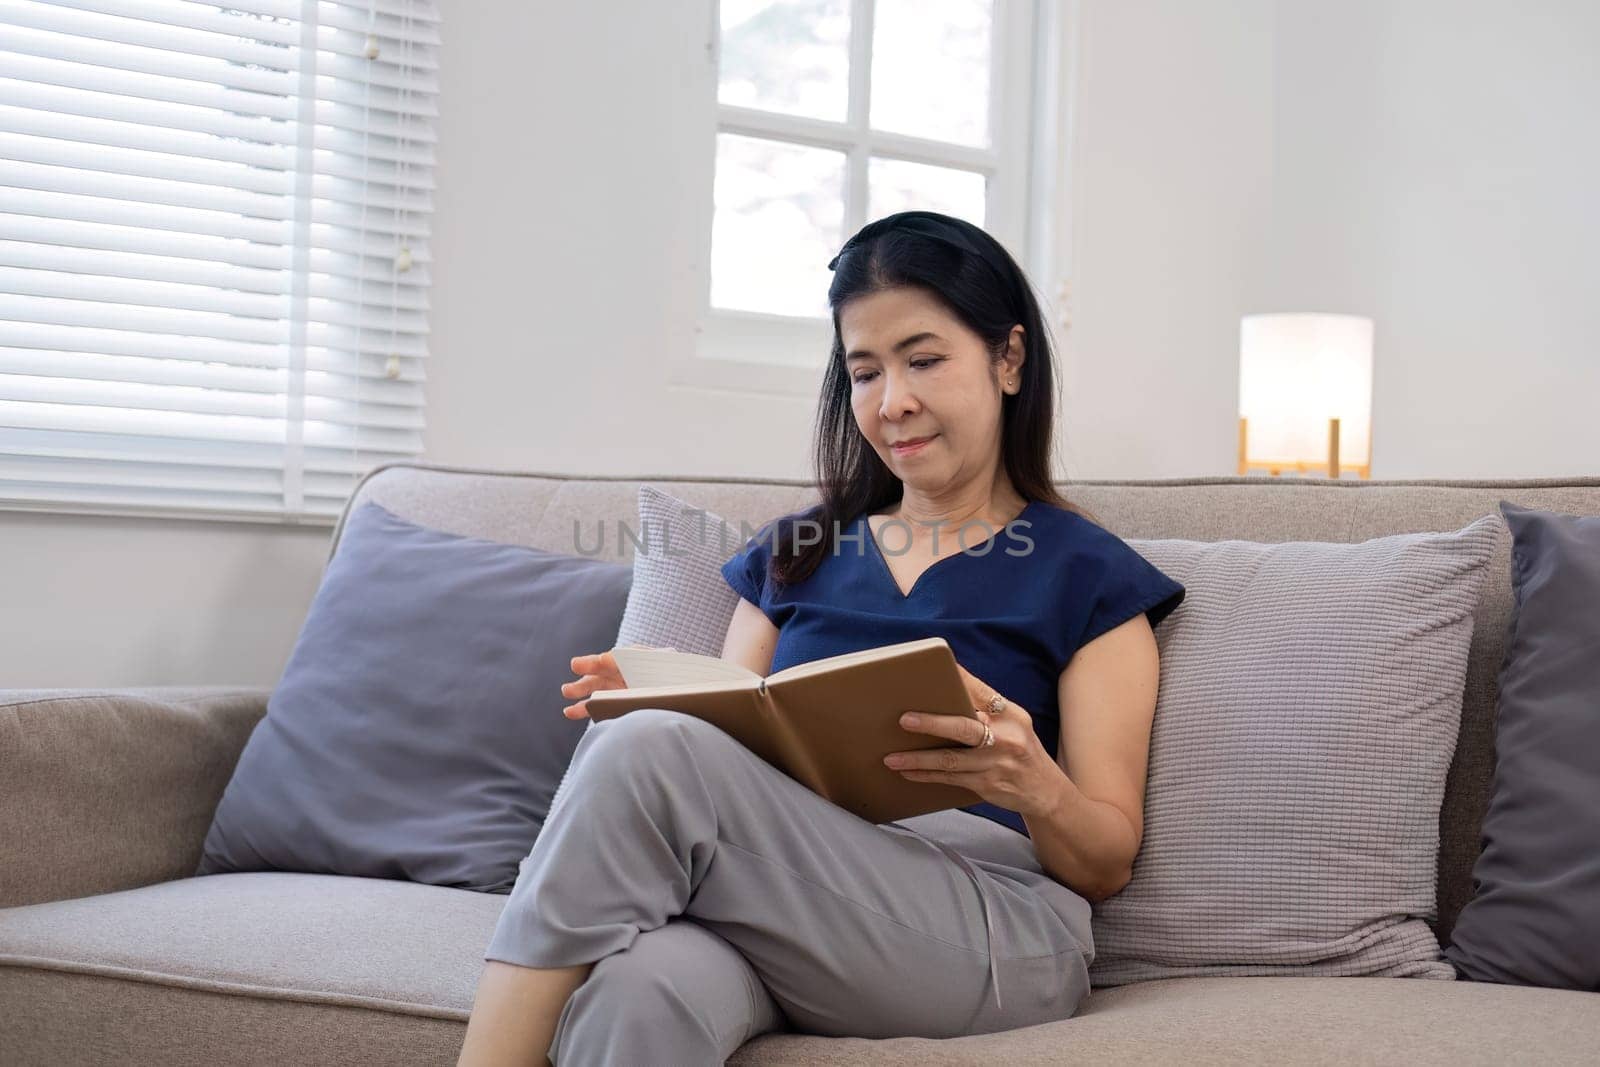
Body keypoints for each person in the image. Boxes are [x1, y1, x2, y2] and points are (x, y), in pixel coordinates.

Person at [455, 210, 1186, 1066]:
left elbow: (1104, 864)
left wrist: (1034, 784)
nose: (892, 401)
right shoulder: (794, 555)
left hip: (993, 924)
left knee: (647, 752)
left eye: (923, 359)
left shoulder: (1088, 573)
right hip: (788, 907)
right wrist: (666, 691)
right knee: (637, 988)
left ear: (1009, 359)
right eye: (864, 371)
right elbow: (728, 749)